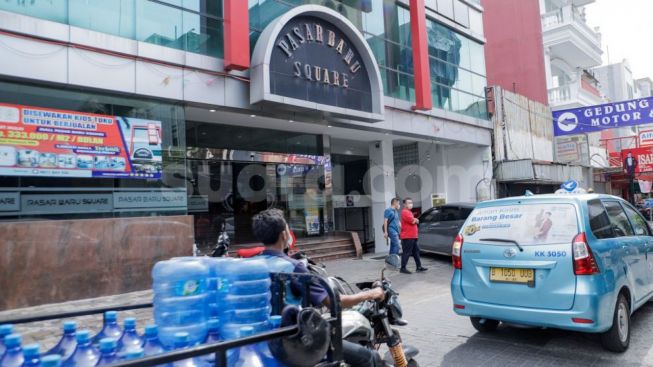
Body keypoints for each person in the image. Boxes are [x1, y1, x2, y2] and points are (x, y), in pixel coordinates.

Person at [251, 209, 385, 367]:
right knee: (369, 357)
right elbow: (334, 302)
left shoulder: (251, 265)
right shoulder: (293, 267)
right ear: (284, 235)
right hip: (294, 340)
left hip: (260, 337)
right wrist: (370, 294)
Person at [399, 198, 427, 274]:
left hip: (413, 236)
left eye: (411, 202)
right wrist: (415, 220)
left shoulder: (409, 212)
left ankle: (419, 267)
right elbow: (413, 221)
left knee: (416, 252)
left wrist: (415, 220)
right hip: (408, 236)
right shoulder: (405, 212)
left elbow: (415, 220)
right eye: (409, 203)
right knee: (407, 252)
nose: (411, 204)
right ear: (404, 204)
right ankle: (403, 268)